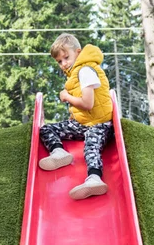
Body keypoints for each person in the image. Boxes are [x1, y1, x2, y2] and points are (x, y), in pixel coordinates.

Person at [39, 33, 114, 200]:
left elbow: (88, 103)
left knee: (91, 146)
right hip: (84, 123)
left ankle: (94, 178)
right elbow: (83, 109)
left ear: (78, 52)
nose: (64, 63)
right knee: (45, 129)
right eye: (59, 61)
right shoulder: (74, 74)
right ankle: (59, 152)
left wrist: (66, 97)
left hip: (101, 124)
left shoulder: (86, 70)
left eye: (66, 57)